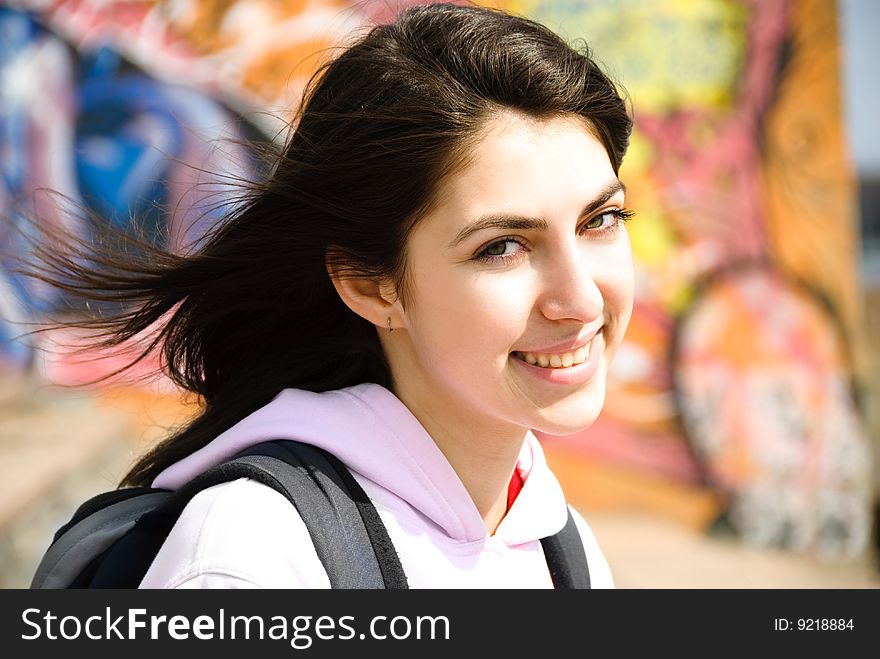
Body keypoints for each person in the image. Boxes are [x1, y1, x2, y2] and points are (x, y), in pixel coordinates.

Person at [34, 2, 635, 588]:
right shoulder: (255, 556)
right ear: (370, 284)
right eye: (502, 247)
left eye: (601, 220)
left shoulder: (561, 546)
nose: (580, 300)